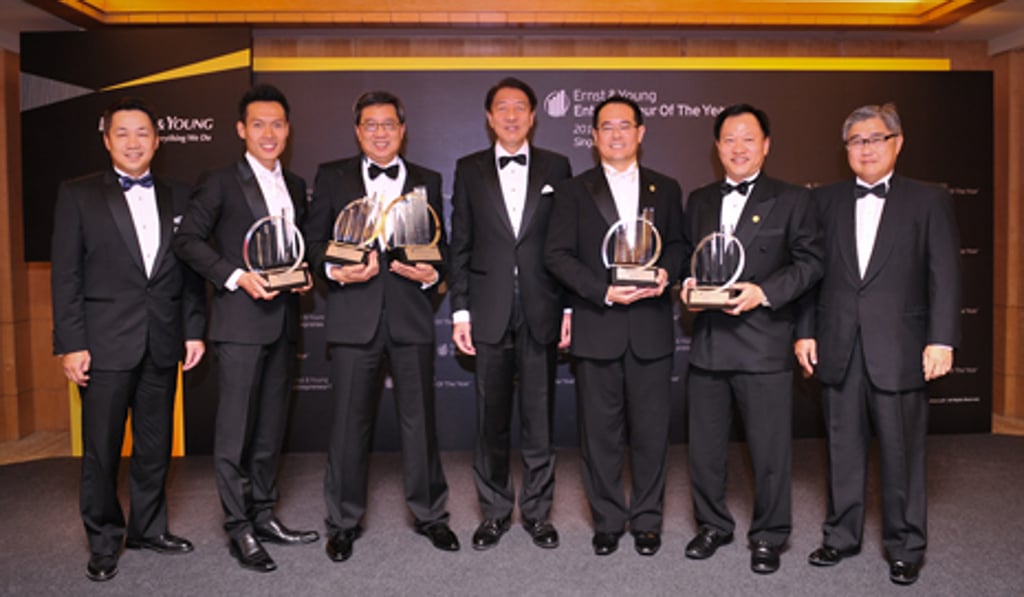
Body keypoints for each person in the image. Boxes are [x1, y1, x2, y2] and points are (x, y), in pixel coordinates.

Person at [795, 103, 961, 586]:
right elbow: (811, 276)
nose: (865, 149)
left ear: (898, 143)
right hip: (838, 346)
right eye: (856, 141)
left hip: (903, 348)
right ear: (845, 149)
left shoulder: (929, 199)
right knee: (841, 449)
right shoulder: (822, 201)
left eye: (875, 139)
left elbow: (945, 274)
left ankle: (906, 545)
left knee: (902, 453)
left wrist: (942, 339)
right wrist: (805, 330)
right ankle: (840, 537)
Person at [51, 97, 206, 582]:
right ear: (106, 139)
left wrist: (194, 330)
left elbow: (190, 273)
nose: (134, 142)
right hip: (103, 346)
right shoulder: (77, 195)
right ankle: (102, 540)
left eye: (142, 133)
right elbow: (66, 277)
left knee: (154, 447)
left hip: (163, 342)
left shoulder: (181, 195)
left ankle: (148, 528)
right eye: (123, 133)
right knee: (101, 450)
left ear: (158, 141)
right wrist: (71, 343)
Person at [302, 90, 457, 563]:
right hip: (353, 318)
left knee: (421, 424)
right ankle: (343, 522)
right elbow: (312, 246)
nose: (380, 132)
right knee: (349, 425)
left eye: (388, 124)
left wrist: (433, 273)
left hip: (411, 316)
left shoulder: (427, 178)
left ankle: (431, 515)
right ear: (357, 131)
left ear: (402, 129)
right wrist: (336, 272)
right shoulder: (332, 177)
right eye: (370, 124)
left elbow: (441, 249)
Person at [173, 84, 319, 573]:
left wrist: (303, 277)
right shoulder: (218, 181)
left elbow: (295, 249)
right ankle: (238, 529)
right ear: (241, 130)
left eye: (277, 123)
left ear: (288, 129)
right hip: (238, 325)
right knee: (234, 433)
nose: (269, 132)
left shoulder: (296, 185)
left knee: (268, 432)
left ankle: (263, 513)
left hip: (283, 326)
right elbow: (187, 241)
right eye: (258, 124)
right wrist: (236, 278)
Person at [680, 103, 823, 574]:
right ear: (717, 147)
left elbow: (810, 264)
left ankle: (769, 535)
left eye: (748, 138)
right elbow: (690, 260)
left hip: (764, 344)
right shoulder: (699, 199)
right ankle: (713, 525)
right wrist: (686, 286)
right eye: (728, 139)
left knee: (769, 451)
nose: (738, 148)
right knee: (704, 448)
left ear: (766, 145)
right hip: (709, 345)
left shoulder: (793, 199)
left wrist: (765, 292)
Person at [544, 95, 685, 557]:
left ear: (641, 133)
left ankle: (647, 520)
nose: (617, 134)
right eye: (606, 127)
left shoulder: (665, 188)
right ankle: (606, 520)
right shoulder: (573, 190)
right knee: (599, 434)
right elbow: (557, 255)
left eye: (625, 125)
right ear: (594, 136)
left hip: (649, 328)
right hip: (598, 324)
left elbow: (681, 247)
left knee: (650, 433)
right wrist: (601, 290)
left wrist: (668, 272)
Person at [448, 77, 573, 551]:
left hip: (542, 309)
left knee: (539, 420)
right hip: (487, 311)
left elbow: (565, 244)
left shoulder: (558, 167)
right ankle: (495, 513)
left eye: (520, 108)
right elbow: (460, 244)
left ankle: (538, 514)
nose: (512, 116)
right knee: (490, 420)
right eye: (502, 108)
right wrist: (460, 312)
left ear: (534, 115)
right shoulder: (468, 169)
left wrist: (568, 309)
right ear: (489, 117)